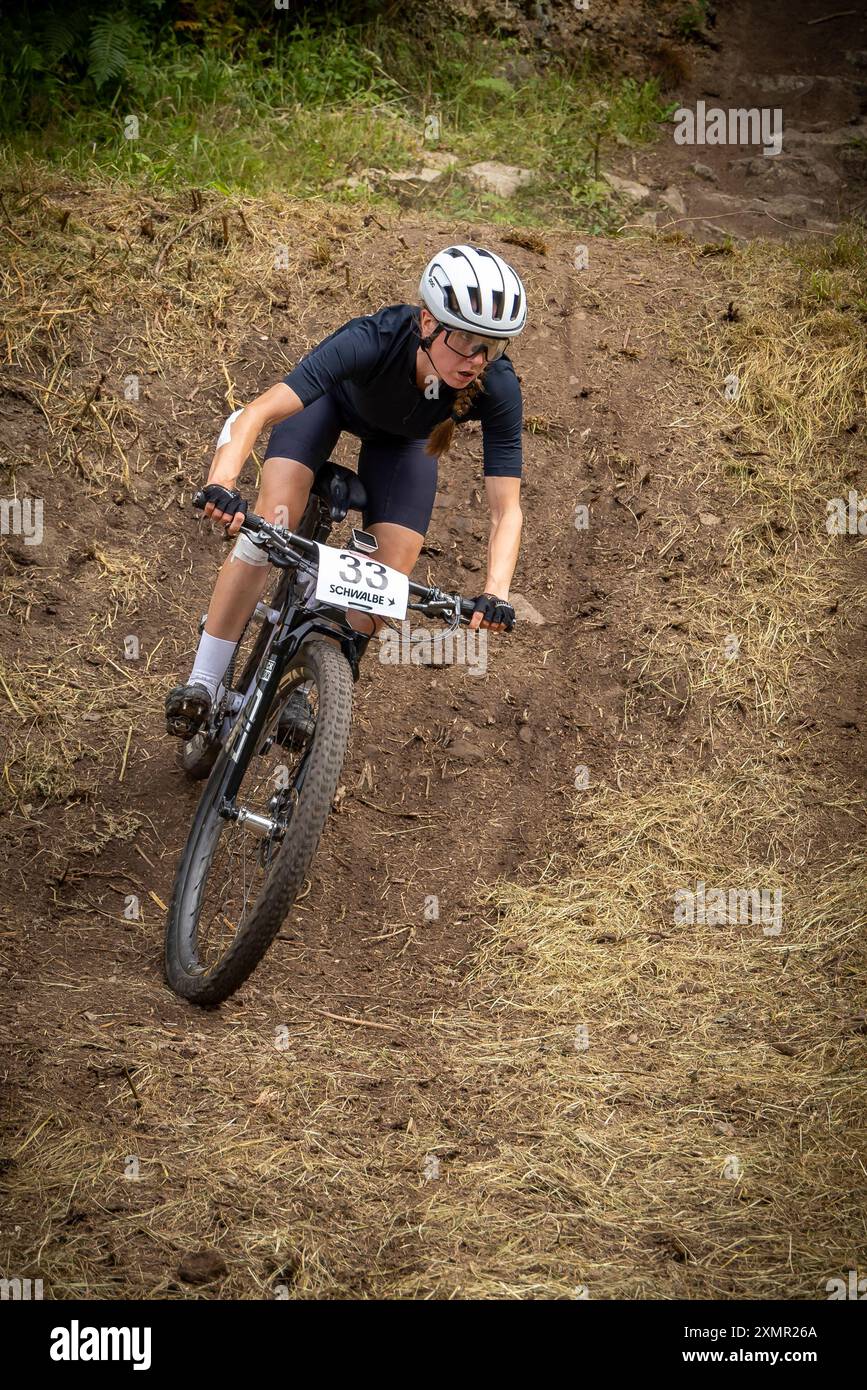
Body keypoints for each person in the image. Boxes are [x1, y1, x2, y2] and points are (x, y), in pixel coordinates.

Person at [165, 243, 528, 739]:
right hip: (327, 408)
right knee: (270, 526)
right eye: (465, 339)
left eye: (493, 345)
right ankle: (203, 681)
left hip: (403, 446)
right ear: (427, 322)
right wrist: (221, 483)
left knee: (389, 575)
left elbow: (505, 509)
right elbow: (254, 414)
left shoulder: (496, 385)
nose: (477, 359)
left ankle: (307, 681)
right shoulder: (372, 339)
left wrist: (496, 592)